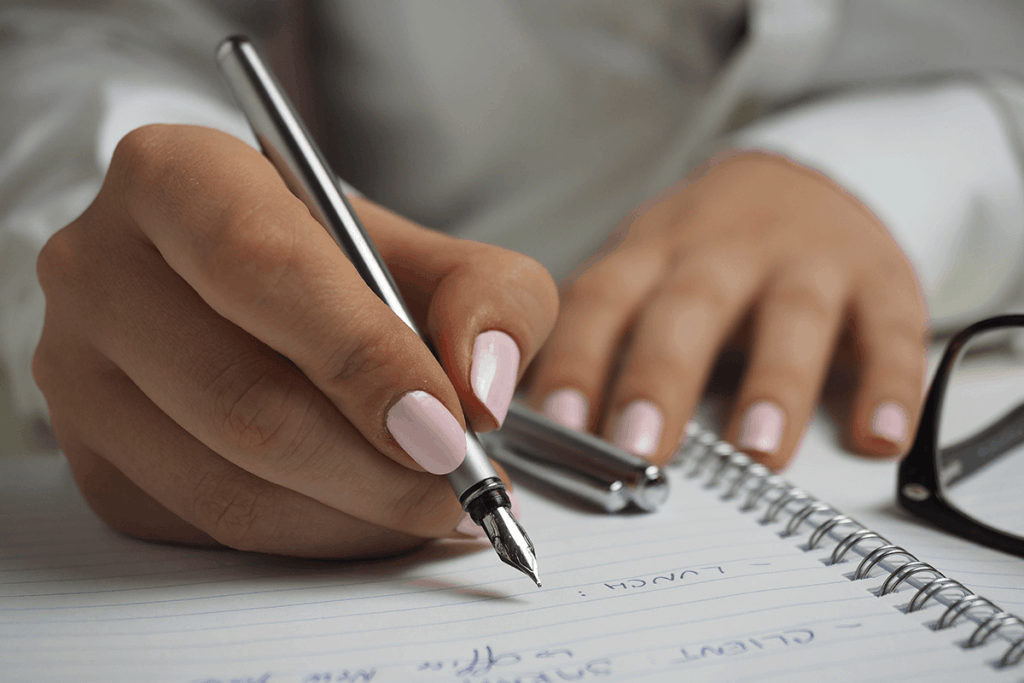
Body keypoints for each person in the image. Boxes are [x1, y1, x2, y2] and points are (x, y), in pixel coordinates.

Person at [3, 0, 1024, 558]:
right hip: (404, 361)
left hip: (960, 367)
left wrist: (923, 167)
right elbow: (91, 32)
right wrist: (191, 245)